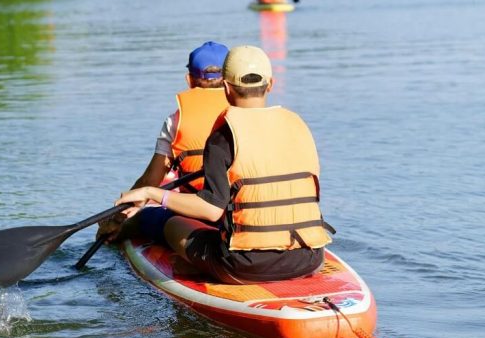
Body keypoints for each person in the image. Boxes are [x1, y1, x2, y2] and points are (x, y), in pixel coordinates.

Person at [115, 45, 333, 283]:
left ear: (227, 89)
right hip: (310, 257)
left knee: (171, 224)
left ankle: (195, 266)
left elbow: (211, 210)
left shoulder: (223, 136)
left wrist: (152, 193)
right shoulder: (298, 126)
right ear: (270, 85)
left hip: (244, 266)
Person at [98, 41, 230, 245]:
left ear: (189, 80)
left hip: (196, 215)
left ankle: (118, 232)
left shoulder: (176, 121)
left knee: (143, 217)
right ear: (231, 79)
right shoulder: (249, 116)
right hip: (239, 215)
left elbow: (151, 179)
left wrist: (117, 218)